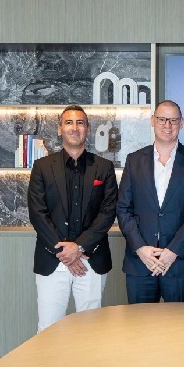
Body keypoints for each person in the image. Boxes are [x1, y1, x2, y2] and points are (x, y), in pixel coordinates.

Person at [28, 105, 117, 332]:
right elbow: (37, 213)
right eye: (69, 123)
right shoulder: (42, 167)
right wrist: (65, 252)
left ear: (88, 129)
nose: (74, 128)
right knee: (48, 329)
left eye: (80, 123)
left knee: (90, 330)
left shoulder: (104, 167)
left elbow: (107, 212)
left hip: (91, 258)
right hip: (53, 258)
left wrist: (79, 247)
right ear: (60, 129)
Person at [116, 100, 184, 303]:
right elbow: (123, 208)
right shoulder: (134, 160)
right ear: (153, 121)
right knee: (140, 321)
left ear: (181, 123)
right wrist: (140, 248)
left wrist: (173, 250)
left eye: (173, 120)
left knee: (177, 322)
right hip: (141, 261)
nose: (167, 125)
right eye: (162, 119)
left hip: (179, 261)